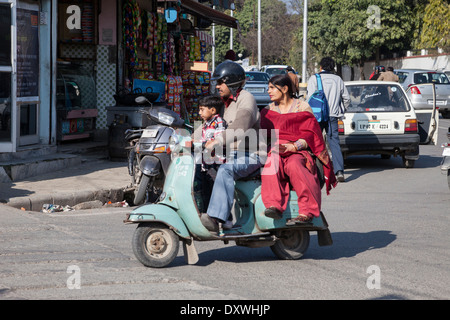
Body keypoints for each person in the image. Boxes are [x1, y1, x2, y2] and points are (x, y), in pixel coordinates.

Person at [198, 61, 266, 232]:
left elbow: (241, 126)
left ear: (233, 83)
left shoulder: (246, 99)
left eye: (221, 82)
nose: (218, 86)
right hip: (230, 153)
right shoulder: (223, 103)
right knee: (200, 166)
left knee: (226, 169)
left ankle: (216, 217)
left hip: (252, 154)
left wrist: (217, 141)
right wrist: (182, 140)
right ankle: (213, 213)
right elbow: (204, 128)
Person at [261, 75, 337, 223]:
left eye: (272, 88)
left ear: (284, 89)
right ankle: (274, 206)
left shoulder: (302, 106)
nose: (268, 91)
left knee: (294, 165)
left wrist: (294, 146)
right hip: (277, 149)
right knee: (272, 163)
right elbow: (263, 137)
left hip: (298, 150)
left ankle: (307, 211)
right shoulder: (267, 110)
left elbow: (311, 135)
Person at [307, 57, 350, 182]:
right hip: (333, 116)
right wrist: (341, 110)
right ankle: (339, 171)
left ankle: (313, 169)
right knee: (334, 142)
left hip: (317, 116)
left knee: (315, 141)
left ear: (321, 67)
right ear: (333, 67)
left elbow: (310, 98)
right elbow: (346, 99)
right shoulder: (338, 79)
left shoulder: (314, 78)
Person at [193, 96, 227, 212]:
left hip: (216, 163)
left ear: (212, 110)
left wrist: (202, 144)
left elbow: (217, 140)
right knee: (205, 189)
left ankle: (221, 216)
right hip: (205, 163)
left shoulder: (219, 122)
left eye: (202, 109)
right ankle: (208, 214)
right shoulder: (205, 124)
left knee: (216, 190)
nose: (199, 112)